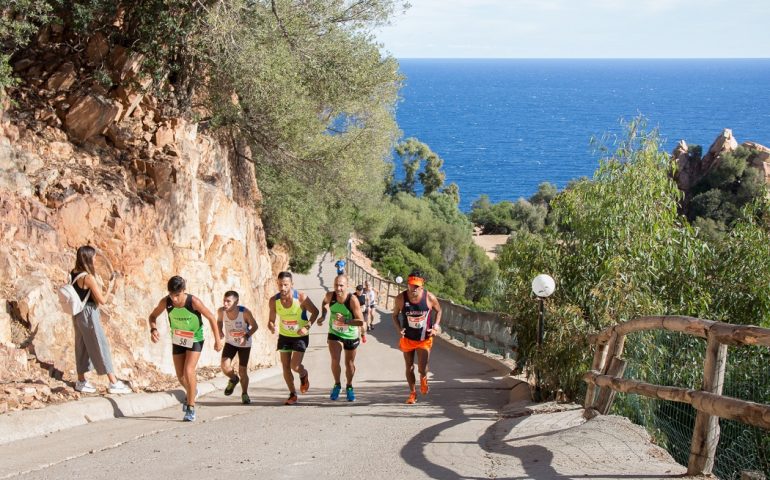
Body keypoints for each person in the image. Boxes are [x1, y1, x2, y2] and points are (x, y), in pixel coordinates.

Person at [148, 276, 223, 421]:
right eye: (171, 295)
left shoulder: (193, 302)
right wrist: (153, 330)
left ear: (183, 291)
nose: (174, 299)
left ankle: (191, 408)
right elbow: (152, 316)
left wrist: (217, 340)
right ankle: (192, 391)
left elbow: (212, 318)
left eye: (177, 295)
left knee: (189, 370)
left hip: (195, 338)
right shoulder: (166, 302)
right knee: (181, 376)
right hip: (178, 339)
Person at [69, 245, 132, 395]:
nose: (95, 259)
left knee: (81, 345)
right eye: (94, 257)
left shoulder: (74, 273)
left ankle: (81, 381)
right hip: (89, 313)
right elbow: (102, 300)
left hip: (77, 312)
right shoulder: (88, 278)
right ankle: (113, 382)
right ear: (89, 258)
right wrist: (111, 285)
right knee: (100, 344)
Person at [268, 271, 319, 405]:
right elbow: (271, 319)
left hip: (300, 336)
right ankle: (292, 394)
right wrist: (271, 325)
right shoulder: (274, 301)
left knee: (294, 366)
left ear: (292, 284)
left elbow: (315, 312)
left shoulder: (301, 297)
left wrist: (306, 327)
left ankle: (303, 374)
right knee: (285, 367)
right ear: (277, 284)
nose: (283, 288)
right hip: (284, 336)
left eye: (286, 285)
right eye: (280, 285)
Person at [391, 270, 442, 405]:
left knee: (422, 368)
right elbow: (394, 315)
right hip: (408, 338)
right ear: (408, 284)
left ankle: (424, 378)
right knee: (409, 367)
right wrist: (399, 329)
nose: (413, 289)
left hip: (424, 339)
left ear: (422, 286)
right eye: (411, 285)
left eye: (416, 286)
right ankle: (412, 393)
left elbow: (439, 310)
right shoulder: (401, 298)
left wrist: (436, 326)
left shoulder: (429, 298)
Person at [318, 275, 364, 401]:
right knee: (334, 359)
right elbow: (324, 303)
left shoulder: (352, 300)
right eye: (336, 285)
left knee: (349, 364)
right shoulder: (330, 296)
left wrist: (345, 320)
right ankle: (337, 385)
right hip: (335, 332)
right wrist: (323, 315)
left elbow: (361, 322)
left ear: (347, 286)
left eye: (341, 285)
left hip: (350, 334)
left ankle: (349, 386)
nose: (338, 288)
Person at [217, 290, 258, 405]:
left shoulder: (244, 312)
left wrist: (246, 336)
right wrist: (219, 330)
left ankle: (244, 393)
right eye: (224, 301)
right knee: (225, 366)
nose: (225, 304)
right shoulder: (221, 311)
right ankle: (234, 379)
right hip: (230, 342)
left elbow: (255, 326)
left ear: (236, 302)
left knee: (243, 371)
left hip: (244, 344)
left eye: (228, 302)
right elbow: (219, 321)